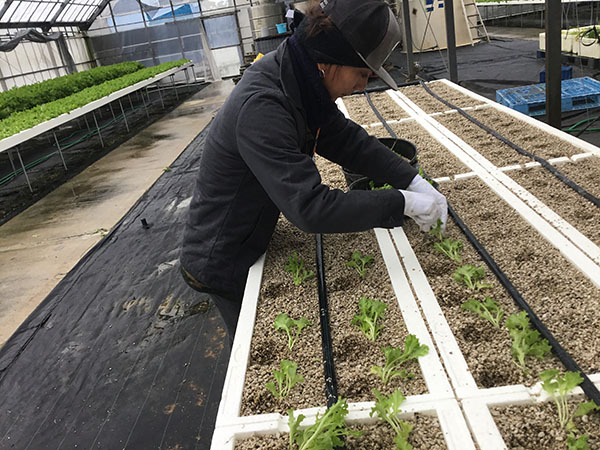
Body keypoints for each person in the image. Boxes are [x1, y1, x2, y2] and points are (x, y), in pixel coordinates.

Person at [180, 0, 447, 344]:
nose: (364, 86)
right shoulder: (264, 105)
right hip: (222, 258)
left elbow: (344, 139)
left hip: (253, 233)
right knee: (255, 346)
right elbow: (310, 208)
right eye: (362, 74)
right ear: (331, 61)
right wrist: (401, 204)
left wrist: (411, 179)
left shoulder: (302, 80)